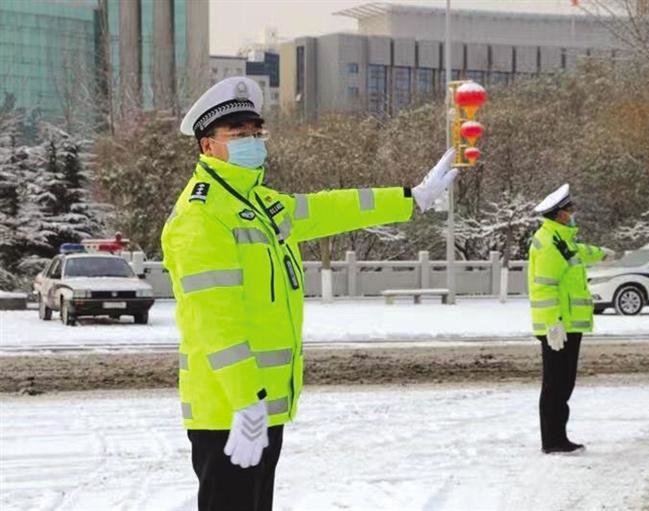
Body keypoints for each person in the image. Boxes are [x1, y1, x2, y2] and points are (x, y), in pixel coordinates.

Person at [161, 76, 459, 510]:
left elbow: (329, 208)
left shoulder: (258, 203)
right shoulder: (202, 217)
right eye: (238, 135)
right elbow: (215, 325)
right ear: (208, 146)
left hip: (262, 405)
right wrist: (245, 402)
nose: (252, 141)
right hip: (230, 409)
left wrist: (410, 198)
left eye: (256, 133)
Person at [527, 184, 614, 454]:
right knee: (556, 384)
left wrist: (601, 252)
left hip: (567, 324)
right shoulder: (548, 243)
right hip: (558, 326)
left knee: (564, 382)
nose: (573, 213)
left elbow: (579, 252)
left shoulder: (561, 239)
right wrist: (553, 323)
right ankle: (553, 441)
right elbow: (545, 286)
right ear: (558, 214)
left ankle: (558, 437)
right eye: (569, 209)